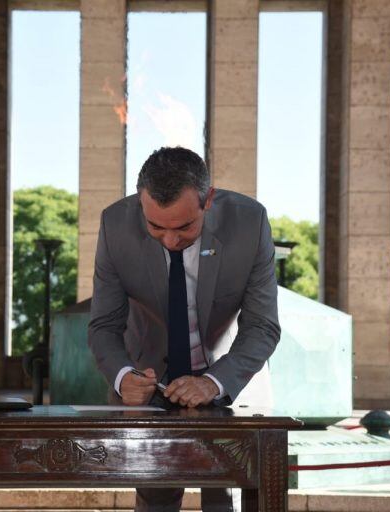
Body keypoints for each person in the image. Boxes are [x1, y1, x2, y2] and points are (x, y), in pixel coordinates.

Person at [88, 147, 281, 512]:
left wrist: (213, 382)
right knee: (156, 499)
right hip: (153, 387)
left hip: (233, 382)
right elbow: (103, 326)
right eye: (156, 227)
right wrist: (122, 375)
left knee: (227, 500)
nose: (171, 241)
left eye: (184, 227)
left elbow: (262, 325)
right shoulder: (115, 225)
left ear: (208, 200)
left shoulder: (250, 222)